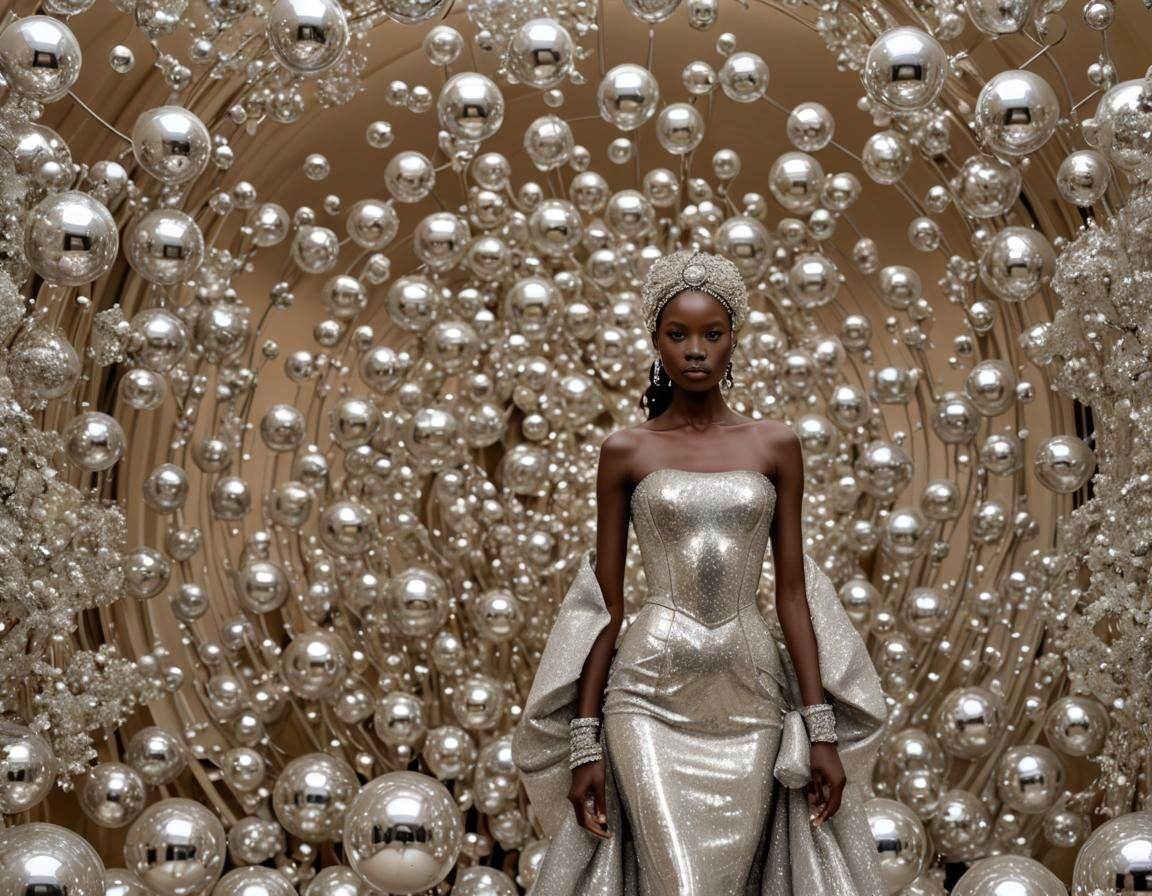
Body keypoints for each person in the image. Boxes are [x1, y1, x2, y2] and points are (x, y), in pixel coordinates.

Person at [512, 251, 888, 895]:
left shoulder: (776, 444)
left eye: (712, 333)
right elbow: (605, 602)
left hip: (751, 699)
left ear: (734, 337)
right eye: (677, 334)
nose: (695, 350)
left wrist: (820, 728)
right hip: (646, 697)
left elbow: (793, 595)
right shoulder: (626, 451)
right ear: (654, 339)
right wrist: (584, 741)